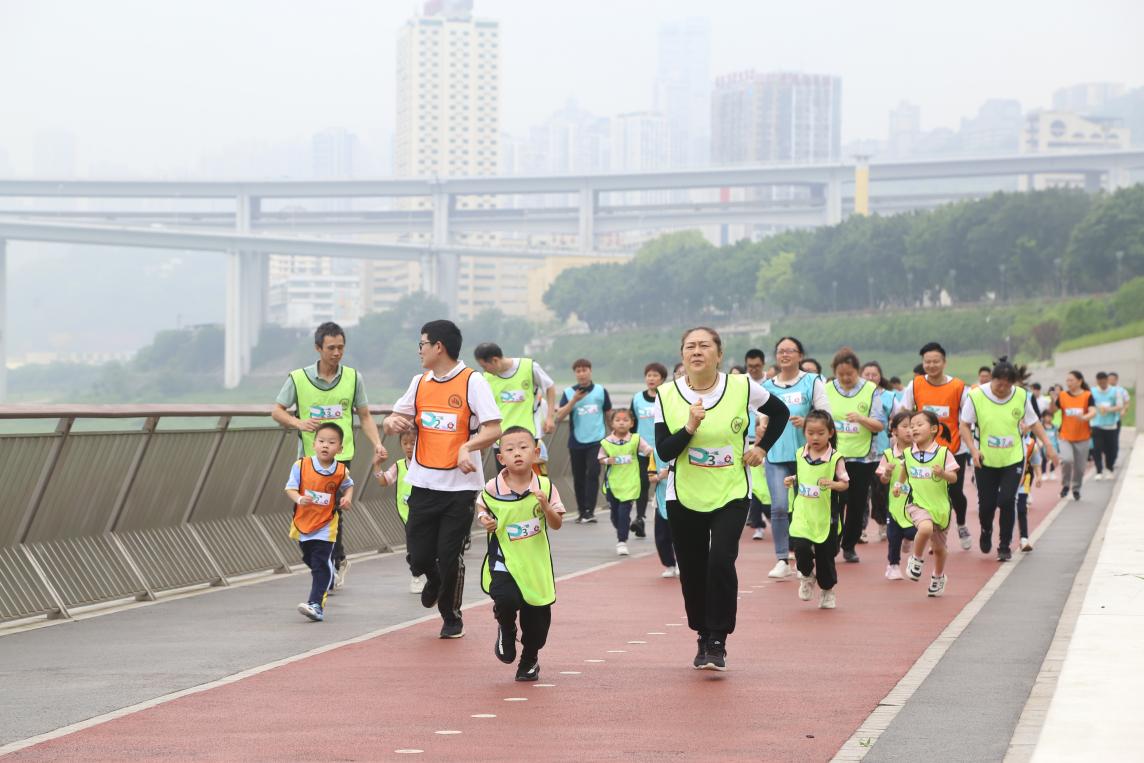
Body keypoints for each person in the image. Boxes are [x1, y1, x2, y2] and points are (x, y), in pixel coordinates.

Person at [655, 327, 790, 671]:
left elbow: (781, 413)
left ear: (718, 353)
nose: (696, 351)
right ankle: (702, 632)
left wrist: (761, 448)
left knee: (721, 560)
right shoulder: (667, 394)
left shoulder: (743, 386)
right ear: (682, 355)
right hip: (684, 493)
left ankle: (718, 638)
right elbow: (664, 449)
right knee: (694, 569)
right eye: (690, 347)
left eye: (704, 346)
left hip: (731, 490)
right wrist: (688, 427)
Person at [383, 319, 503, 639]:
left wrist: (467, 446)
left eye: (422, 344)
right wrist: (393, 422)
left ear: (439, 347)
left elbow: (493, 428)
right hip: (422, 482)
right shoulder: (419, 382)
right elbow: (400, 415)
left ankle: (451, 614)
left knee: (450, 555)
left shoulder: (472, 382)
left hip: (460, 488)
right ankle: (432, 579)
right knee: (418, 556)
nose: (419, 351)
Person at [272, 322, 386, 591]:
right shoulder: (298, 378)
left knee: (333, 510)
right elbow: (277, 411)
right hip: (308, 461)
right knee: (305, 511)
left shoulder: (353, 378)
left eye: (341, 348)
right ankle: (330, 560)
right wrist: (298, 423)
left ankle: (331, 563)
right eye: (331, 348)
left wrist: (377, 444)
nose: (337, 353)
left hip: (340, 457)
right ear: (318, 348)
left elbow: (365, 416)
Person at [477, 426, 565, 682]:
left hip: (535, 566)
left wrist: (545, 506)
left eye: (524, 447)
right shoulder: (493, 488)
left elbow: (557, 523)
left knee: (537, 621)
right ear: (500, 457)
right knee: (505, 599)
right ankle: (506, 628)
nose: (518, 453)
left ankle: (529, 660)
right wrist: (485, 520)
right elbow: (482, 508)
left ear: (536, 453)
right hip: (504, 560)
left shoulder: (546, 487)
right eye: (510, 449)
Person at [961, 358, 1059, 561]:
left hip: (1013, 457)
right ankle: (986, 530)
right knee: (986, 505)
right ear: (992, 379)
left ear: (1014, 383)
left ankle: (1004, 545)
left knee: (1007, 500)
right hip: (985, 458)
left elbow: (1034, 422)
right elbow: (964, 425)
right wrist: (972, 450)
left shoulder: (1021, 396)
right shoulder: (976, 395)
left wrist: (1048, 445)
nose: (1002, 389)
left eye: (1008, 385)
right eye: (999, 384)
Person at [761, 336, 831, 579]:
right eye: (780, 351)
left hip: (807, 457)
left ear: (800, 355)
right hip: (776, 454)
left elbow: (826, 415)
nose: (785, 355)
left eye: (790, 350)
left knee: (807, 506)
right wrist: (761, 428)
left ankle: (806, 556)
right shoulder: (767, 386)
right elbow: (762, 418)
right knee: (779, 506)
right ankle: (782, 559)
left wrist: (808, 424)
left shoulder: (812, 382)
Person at [895, 342, 973, 552]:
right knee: (924, 493)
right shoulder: (915, 385)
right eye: (927, 362)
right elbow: (903, 411)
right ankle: (930, 535)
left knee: (954, 493)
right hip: (922, 451)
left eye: (935, 361)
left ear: (944, 362)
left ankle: (962, 524)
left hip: (953, 449)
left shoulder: (958, 387)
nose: (931, 365)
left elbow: (967, 417)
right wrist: (902, 437)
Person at [285, 422, 354, 622]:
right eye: (322, 441)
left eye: (331, 442)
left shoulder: (340, 471)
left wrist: (347, 498)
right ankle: (329, 573)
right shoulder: (301, 465)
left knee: (320, 562)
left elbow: (349, 485)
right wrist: (299, 499)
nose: (326, 446)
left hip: (327, 523)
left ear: (340, 449)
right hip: (304, 521)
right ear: (314, 444)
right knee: (309, 558)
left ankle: (316, 605)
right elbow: (290, 488)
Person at [825, 348, 886, 564]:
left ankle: (849, 545)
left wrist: (861, 418)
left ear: (857, 371)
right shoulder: (827, 389)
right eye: (841, 375)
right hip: (834, 457)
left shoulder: (871, 391)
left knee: (857, 503)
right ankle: (832, 543)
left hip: (862, 458)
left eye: (849, 374)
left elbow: (879, 424)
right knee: (836, 502)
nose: (845, 379)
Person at [786, 410, 848, 609]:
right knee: (801, 549)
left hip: (825, 516)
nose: (815, 437)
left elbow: (845, 483)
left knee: (825, 556)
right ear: (804, 433)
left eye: (820, 433)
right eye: (810, 433)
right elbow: (803, 476)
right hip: (803, 513)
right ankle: (806, 575)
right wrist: (792, 480)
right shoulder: (800, 453)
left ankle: (827, 590)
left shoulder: (835, 458)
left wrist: (832, 484)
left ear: (830, 433)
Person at [896, 410, 958, 597]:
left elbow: (954, 478)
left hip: (940, 508)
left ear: (933, 429)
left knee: (939, 549)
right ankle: (916, 559)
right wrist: (899, 484)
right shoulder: (907, 453)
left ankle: (938, 576)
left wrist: (943, 474)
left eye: (918, 424)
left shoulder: (944, 453)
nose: (913, 428)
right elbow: (905, 469)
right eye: (911, 425)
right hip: (917, 503)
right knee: (925, 529)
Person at [555, 358, 612, 523]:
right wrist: (574, 400)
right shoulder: (568, 393)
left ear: (590, 371)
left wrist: (615, 437)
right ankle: (582, 511)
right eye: (578, 371)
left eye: (584, 370)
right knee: (579, 477)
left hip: (597, 440)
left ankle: (590, 510)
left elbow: (608, 415)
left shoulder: (601, 391)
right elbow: (559, 416)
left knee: (593, 474)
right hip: (576, 442)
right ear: (575, 374)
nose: (581, 373)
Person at [372, 430, 426, 594]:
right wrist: (377, 465)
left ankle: (430, 573)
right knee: (413, 547)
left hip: (427, 513)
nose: (409, 447)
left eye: (413, 442)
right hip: (408, 515)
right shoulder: (399, 465)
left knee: (429, 546)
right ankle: (416, 576)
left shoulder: (428, 464)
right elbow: (384, 481)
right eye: (405, 443)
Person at [473, 343, 557, 446]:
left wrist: (549, 417)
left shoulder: (529, 367)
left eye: (485, 366)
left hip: (529, 435)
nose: (484, 370)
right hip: (501, 439)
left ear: (495, 360)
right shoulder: (487, 377)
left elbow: (550, 387)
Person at [599, 409, 654, 556]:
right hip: (613, 483)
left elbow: (648, 450)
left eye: (625, 420)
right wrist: (607, 460)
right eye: (618, 420)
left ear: (632, 423)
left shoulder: (636, 439)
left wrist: (656, 453)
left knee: (624, 512)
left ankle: (621, 541)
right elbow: (601, 458)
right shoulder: (606, 442)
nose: (621, 423)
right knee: (615, 515)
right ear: (611, 423)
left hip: (630, 483)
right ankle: (622, 528)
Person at [629, 363, 669, 537]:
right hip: (642, 450)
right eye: (648, 375)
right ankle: (640, 519)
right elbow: (632, 423)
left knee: (662, 484)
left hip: (662, 450)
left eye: (655, 376)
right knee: (643, 485)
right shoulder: (637, 398)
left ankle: (667, 518)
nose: (651, 379)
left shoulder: (667, 397)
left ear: (662, 379)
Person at [878, 411, 917, 580]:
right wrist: (886, 473)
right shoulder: (888, 454)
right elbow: (884, 480)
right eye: (905, 426)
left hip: (916, 504)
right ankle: (893, 565)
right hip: (895, 504)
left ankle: (908, 540)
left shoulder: (921, 453)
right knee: (893, 536)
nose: (910, 430)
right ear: (894, 431)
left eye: (913, 426)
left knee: (912, 532)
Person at [861, 361, 895, 542]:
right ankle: (861, 528)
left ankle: (883, 524)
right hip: (859, 452)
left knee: (880, 491)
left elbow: (898, 419)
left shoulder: (889, 396)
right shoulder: (856, 395)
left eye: (874, 374)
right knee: (861, 493)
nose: (871, 378)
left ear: (880, 376)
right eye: (867, 374)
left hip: (882, 450)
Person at [1054, 370, 1097, 500]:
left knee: (1080, 467)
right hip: (1065, 436)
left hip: (1083, 437)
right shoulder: (1062, 395)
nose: (1068, 383)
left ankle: (1076, 488)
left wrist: (1084, 417)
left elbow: (1093, 411)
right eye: (1067, 380)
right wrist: (1053, 399)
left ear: (1080, 381)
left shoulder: (1087, 395)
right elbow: (1053, 409)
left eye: (1071, 380)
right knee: (1067, 460)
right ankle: (1066, 485)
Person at [1091, 371, 1124, 480]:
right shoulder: (1092, 391)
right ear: (1097, 381)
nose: (1102, 385)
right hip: (1096, 424)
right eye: (1100, 383)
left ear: (1107, 381)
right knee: (1097, 448)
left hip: (1111, 425)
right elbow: (1089, 405)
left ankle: (1109, 468)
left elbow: (1120, 406)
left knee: (1112, 449)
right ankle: (1099, 471)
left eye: (1104, 382)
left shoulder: (1116, 391)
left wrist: (1108, 409)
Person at [650, 456, 678, 578]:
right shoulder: (655, 453)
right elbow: (650, 477)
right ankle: (669, 565)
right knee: (661, 536)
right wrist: (661, 476)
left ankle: (681, 563)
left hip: (682, 498)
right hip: (662, 500)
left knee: (680, 536)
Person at [1017, 432, 1042, 552]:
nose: (1022, 425)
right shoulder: (1007, 440)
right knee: (1006, 507)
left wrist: (1039, 476)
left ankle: (1024, 538)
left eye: (1025, 423)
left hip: (1024, 480)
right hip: (1005, 480)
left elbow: (1036, 463)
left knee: (1022, 508)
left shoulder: (1032, 444)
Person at [1041, 409, 1060, 481]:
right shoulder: (1041, 427)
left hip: (1054, 446)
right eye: (1047, 416)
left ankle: (1052, 472)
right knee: (1044, 460)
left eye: (1050, 416)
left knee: (1053, 459)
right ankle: (1043, 473)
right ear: (1043, 417)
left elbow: (1057, 436)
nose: (1049, 418)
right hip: (1044, 447)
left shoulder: (1055, 427)